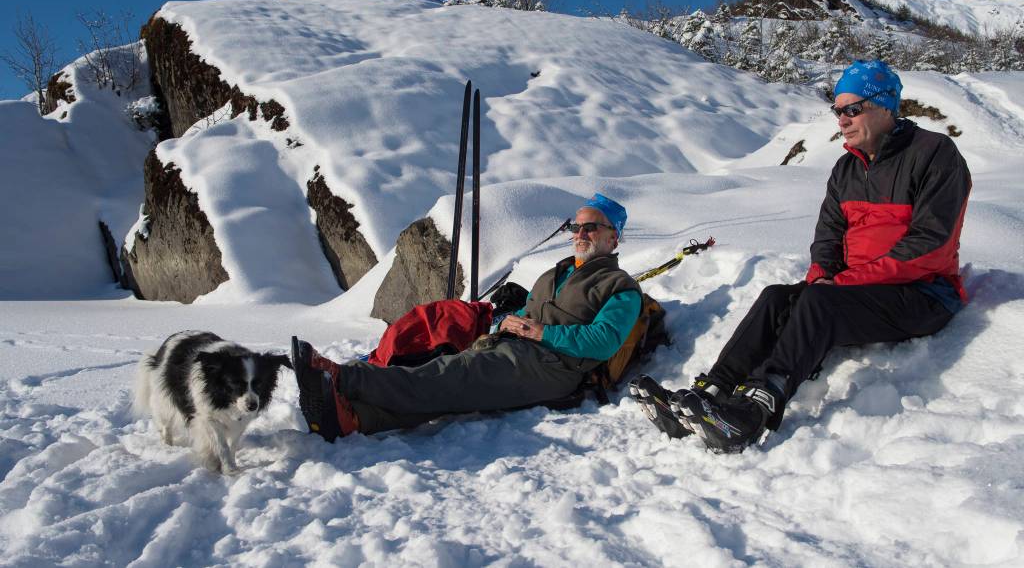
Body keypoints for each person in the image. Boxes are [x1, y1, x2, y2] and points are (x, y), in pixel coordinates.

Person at [632, 59, 972, 454]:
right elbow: (827, 236)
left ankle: (756, 408)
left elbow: (931, 243)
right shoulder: (846, 168)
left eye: (851, 109)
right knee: (778, 297)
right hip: (854, 292)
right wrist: (824, 276)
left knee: (819, 300)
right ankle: (710, 393)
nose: (841, 120)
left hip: (922, 293)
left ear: (884, 106)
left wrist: (839, 284)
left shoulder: (934, 154)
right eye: (837, 110)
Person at [292, 193, 643, 440]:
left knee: (451, 374)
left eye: (591, 228)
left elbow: (604, 342)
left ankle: (346, 378)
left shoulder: (620, 287)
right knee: (449, 385)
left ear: (614, 238)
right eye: (576, 227)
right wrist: (508, 321)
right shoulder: (558, 271)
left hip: (553, 367)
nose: (580, 234)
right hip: (512, 348)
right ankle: (353, 419)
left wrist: (542, 334)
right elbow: (530, 310)